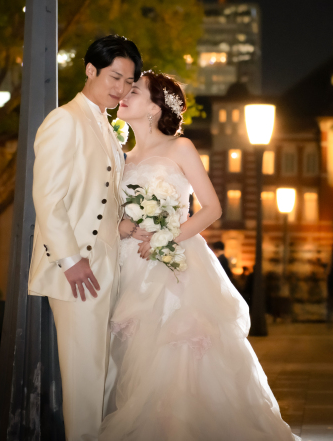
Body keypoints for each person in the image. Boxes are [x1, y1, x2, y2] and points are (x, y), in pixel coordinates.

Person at [100, 71, 297, 440]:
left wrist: (166, 239)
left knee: (178, 357)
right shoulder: (120, 156)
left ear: (155, 108)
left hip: (175, 267)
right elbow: (109, 212)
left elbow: (212, 208)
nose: (124, 95)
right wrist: (122, 226)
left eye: (135, 91)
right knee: (130, 359)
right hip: (128, 267)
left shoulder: (180, 148)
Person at [26, 35, 143, 441]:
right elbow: (47, 197)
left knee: (105, 372)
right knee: (84, 375)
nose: (120, 88)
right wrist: (71, 259)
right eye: (114, 77)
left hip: (108, 266)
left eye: (128, 82)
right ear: (90, 70)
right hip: (78, 269)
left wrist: (123, 226)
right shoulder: (65, 119)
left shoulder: (109, 127)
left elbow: (101, 198)